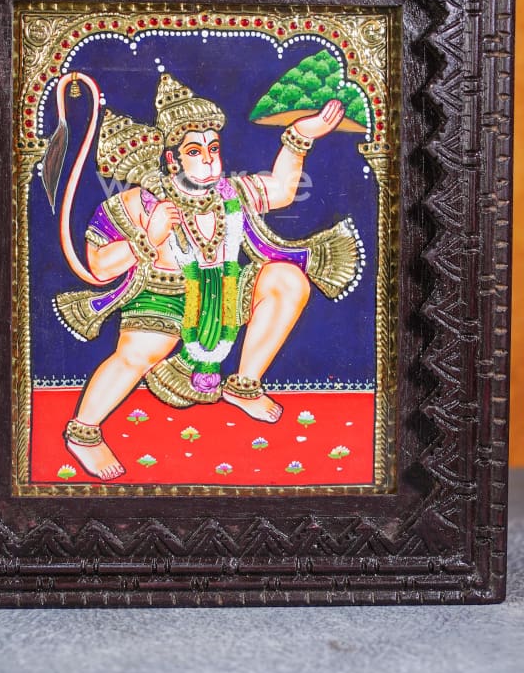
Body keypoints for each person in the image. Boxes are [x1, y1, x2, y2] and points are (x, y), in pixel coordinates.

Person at [48, 73, 363, 481]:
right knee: (136, 355)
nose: (210, 159)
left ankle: (243, 385)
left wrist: (300, 135)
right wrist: (147, 237)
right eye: (195, 151)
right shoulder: (141, 202)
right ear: (172, 160)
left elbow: (283, 189)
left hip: (224, 293)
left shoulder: (231, 193)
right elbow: (99, 266)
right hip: (162, 297)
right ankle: (84, 433)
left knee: (287, 280)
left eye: (213, 148)